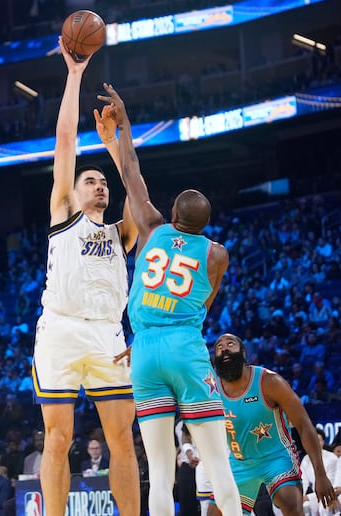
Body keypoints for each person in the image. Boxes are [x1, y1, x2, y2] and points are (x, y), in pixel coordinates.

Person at [97, 83, 242, 516]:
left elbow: (131, 173)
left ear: (173, 216)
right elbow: (205, 304)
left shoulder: (152, 228)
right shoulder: (217, 254)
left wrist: (123, 125)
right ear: (206, 223)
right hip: (183, 345)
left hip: (143, 349)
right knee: (218, 464)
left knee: (158, 472)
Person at [31, 39, 139, 516]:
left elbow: (136, 186)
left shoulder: (122, 231)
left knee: (121, 438)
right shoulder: (63, 214)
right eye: (91, 181)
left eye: (103, 183)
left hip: (108, 334)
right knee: (57, 437)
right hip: (61, 327)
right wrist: (75, 76)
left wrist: (116, 144)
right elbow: (65, 145)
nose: (100, 186)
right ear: (73, 193)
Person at [206, 333, 338, 516]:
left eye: (230, 344)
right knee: (214, 513)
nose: (224, 348)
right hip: (239, 462)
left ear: (243, 353)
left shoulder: (269, 381)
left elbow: (304, 425)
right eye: (219, 347)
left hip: (276, 457)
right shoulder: (212, 389)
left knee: (290, 503)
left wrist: (320, 475)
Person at [301, 427, 338, 516]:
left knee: (324, 505)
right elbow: (303, 481)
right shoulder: (306, 459)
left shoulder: (332, 458)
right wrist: (300, 497)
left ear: (323, 442)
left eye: (318, 440)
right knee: (301, 505)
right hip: (315, 496)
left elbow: (333, 485)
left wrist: (308, 497)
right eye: (312, 440)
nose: (315, 443)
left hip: (333, 493)